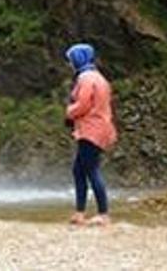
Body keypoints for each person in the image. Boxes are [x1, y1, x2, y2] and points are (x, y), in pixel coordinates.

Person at [64, 43, 117, 227]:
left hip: (90, 130)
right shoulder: (100, 78)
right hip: (100, 128)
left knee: (91, 170)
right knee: (79, 170)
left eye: (70, 60)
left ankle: (103, 214)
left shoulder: (85, 79)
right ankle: (80, 213)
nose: (69, 64)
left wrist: (68, 112)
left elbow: (83, 104)